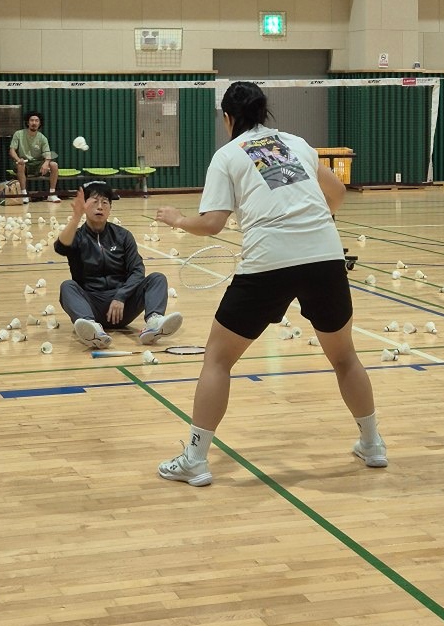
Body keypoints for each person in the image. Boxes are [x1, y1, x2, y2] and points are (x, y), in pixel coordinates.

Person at [154, 80, 387, 487]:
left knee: (218, 359)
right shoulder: (296, 143)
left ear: (228, 118)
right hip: (325, 257)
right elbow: (336, 192)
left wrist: (175, 219)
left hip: (269, 262)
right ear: (263, 113)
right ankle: (372, 444)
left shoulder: (227, 155)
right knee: (345, 357)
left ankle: (195, 459)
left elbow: (211, 223)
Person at [55, 180, 183, 348]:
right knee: (67, 287)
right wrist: (75, 218)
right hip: (92, 304)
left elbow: (137, 270)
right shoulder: (77, 236)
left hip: (123, 306)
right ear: (84, 206)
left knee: (157, 279)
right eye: (94, 201)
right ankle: (92, 330)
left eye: (105, 202)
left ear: (110, 209)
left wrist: (121, 296)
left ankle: (153, 323)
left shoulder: (122, 236)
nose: (100, 207)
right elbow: (60, 247)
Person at [10, 111, 60, 203]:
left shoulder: (42, 138)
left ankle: (52, 194)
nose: (34, 123)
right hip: (23, 162)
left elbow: (47, 153)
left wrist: (46, 163)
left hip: (37, 164)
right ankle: (24, 194)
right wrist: (18, 159)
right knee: (20, 165)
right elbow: (12, 150)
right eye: (32, 120)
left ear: (39, 123)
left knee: (54, 165)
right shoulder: (18, 134)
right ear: (27, 122)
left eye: (37, 121)